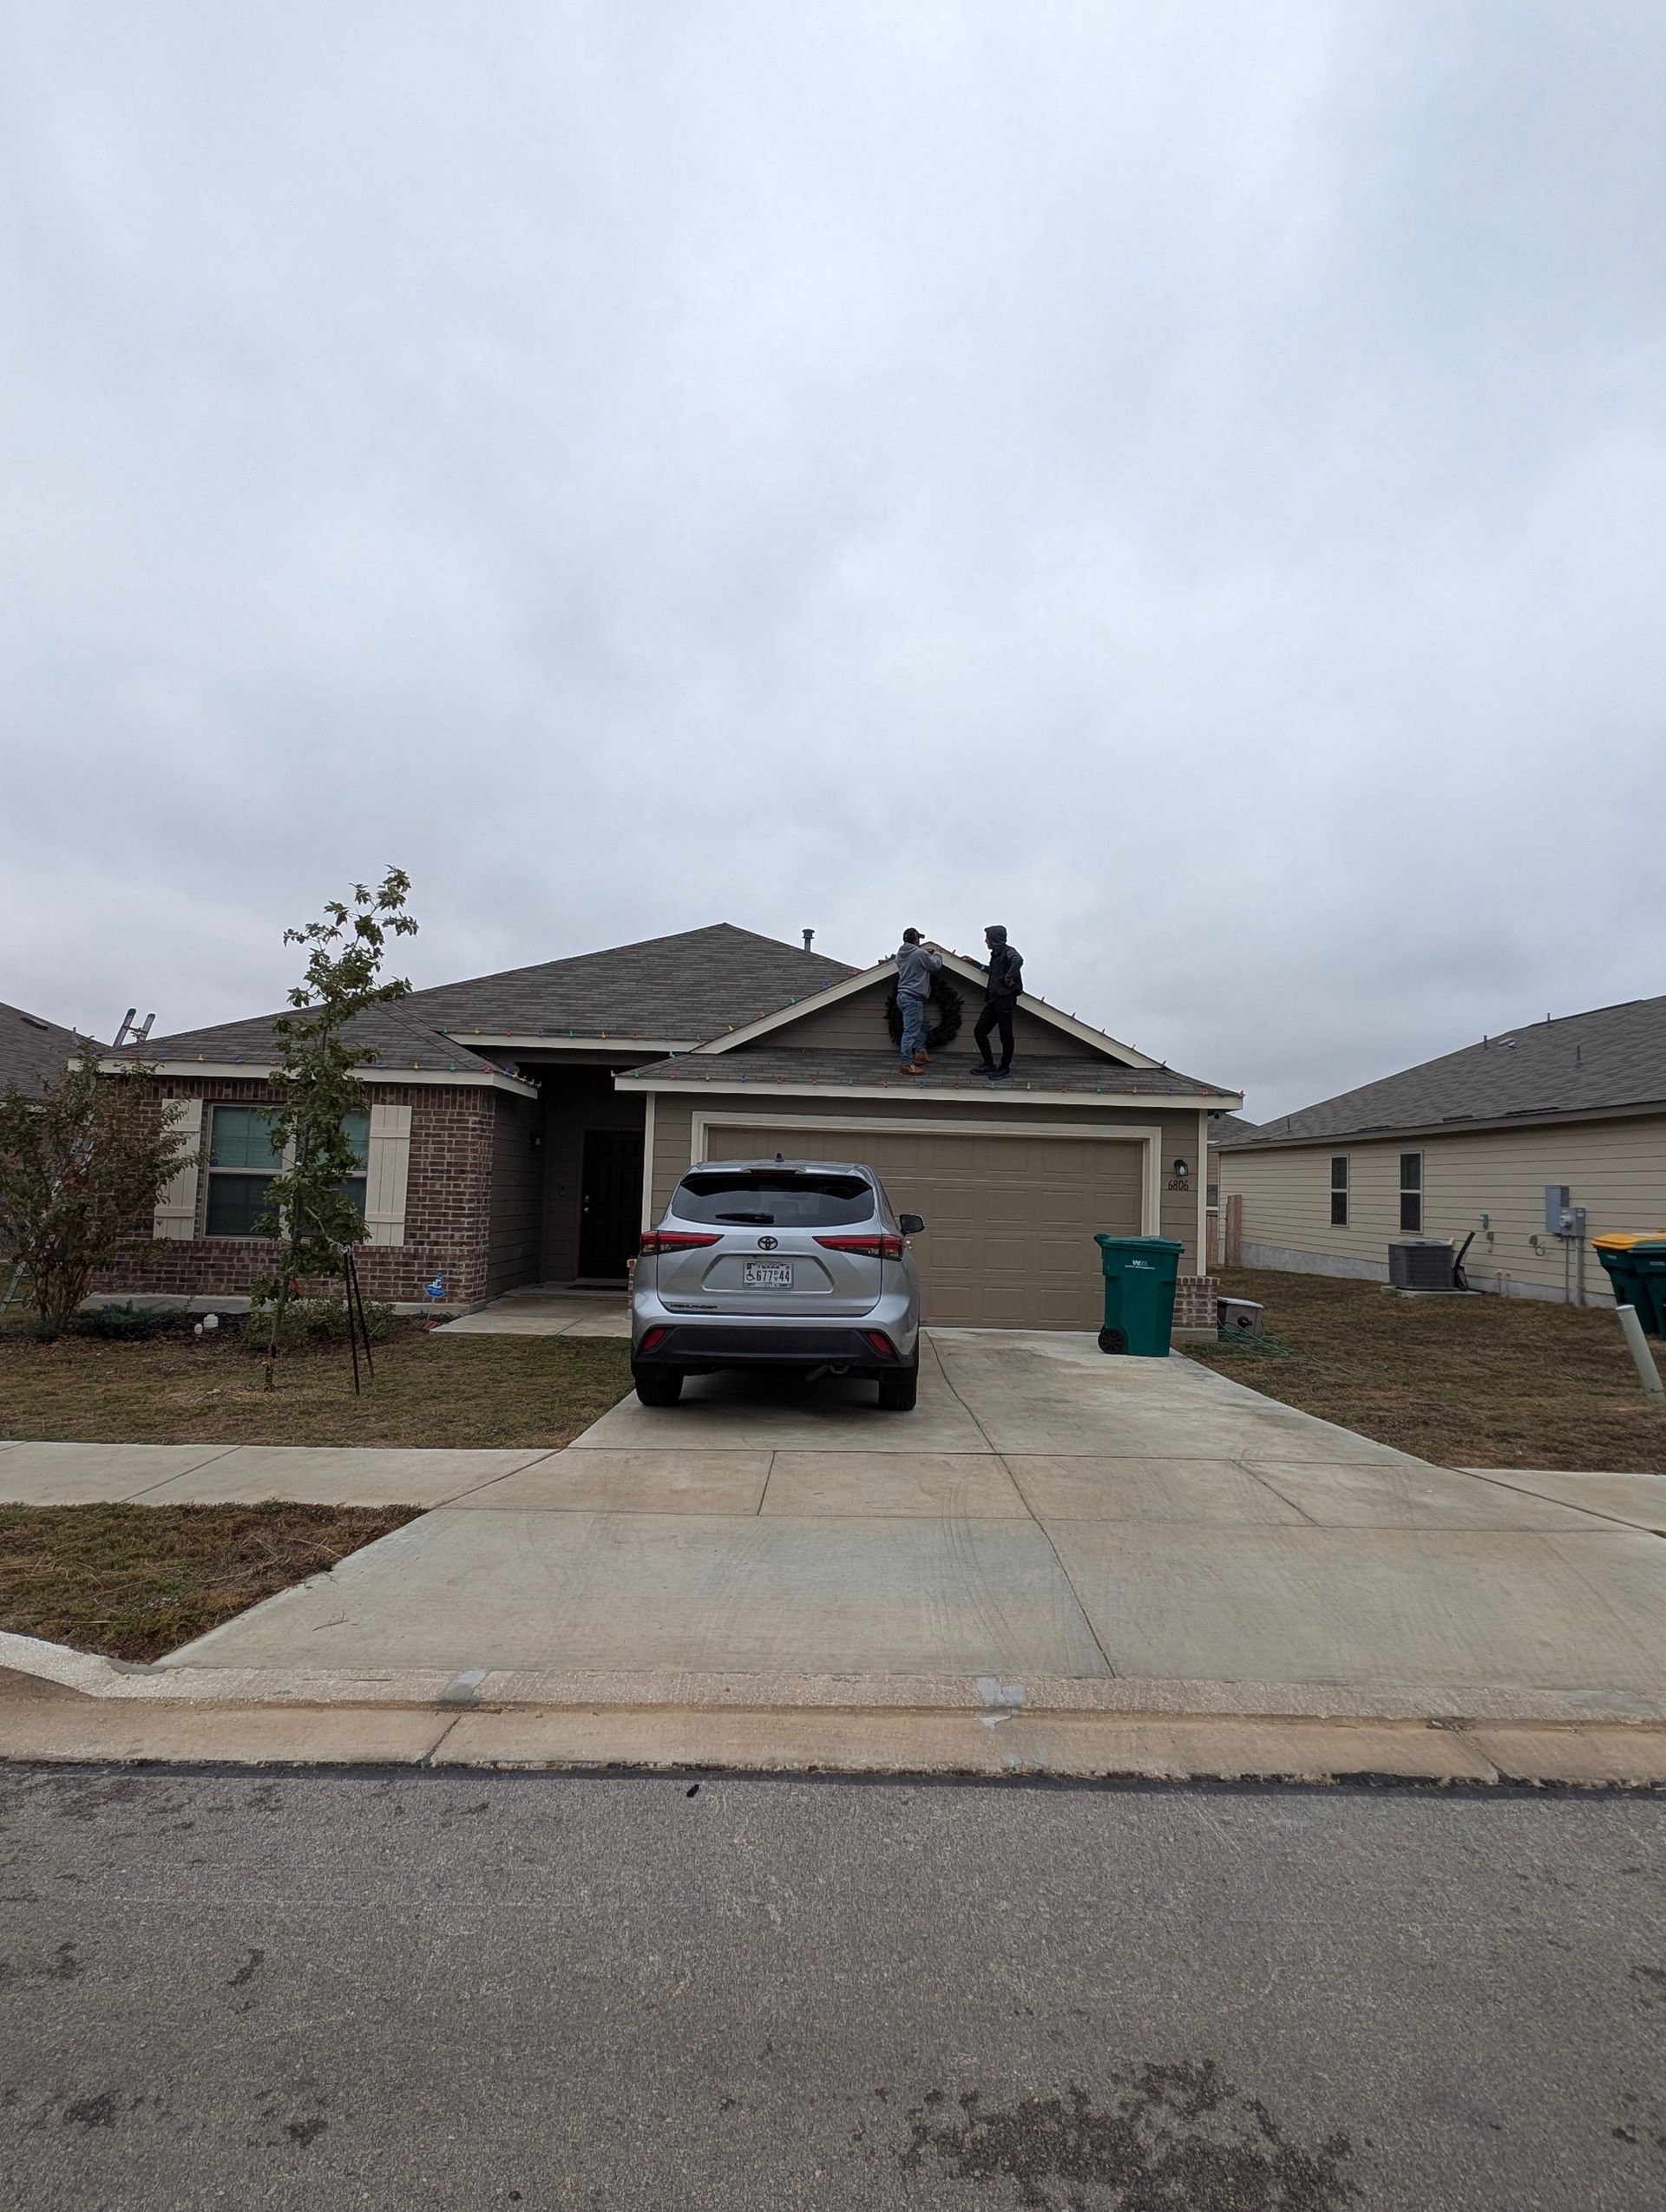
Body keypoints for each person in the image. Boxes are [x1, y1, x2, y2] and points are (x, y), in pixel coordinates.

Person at [974, 924, 1023, 1077]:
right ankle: (989, 1064)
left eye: (987, 938)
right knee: (979, 1031)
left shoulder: (1008, 951)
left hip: (1005, 999)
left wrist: (1008, 978)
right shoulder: (996, 955)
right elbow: (994, 972)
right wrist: (974, 963)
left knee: (1005, 1035)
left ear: (995, 939)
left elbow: (1018, 961)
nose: (985, 941)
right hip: (994, 999)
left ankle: (1004, 1068)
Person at [895, 927, 943, 1076]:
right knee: (910, 1032)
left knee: (923, 1025)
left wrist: (924, 953)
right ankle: (906, 1064)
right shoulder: (919, 954)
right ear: (916, 939)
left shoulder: (900, 955)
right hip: (913, 998)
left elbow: (915, 960)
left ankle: (920, 1052)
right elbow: (935, 965)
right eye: (919, 939)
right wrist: (937, 953)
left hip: (903, 996)